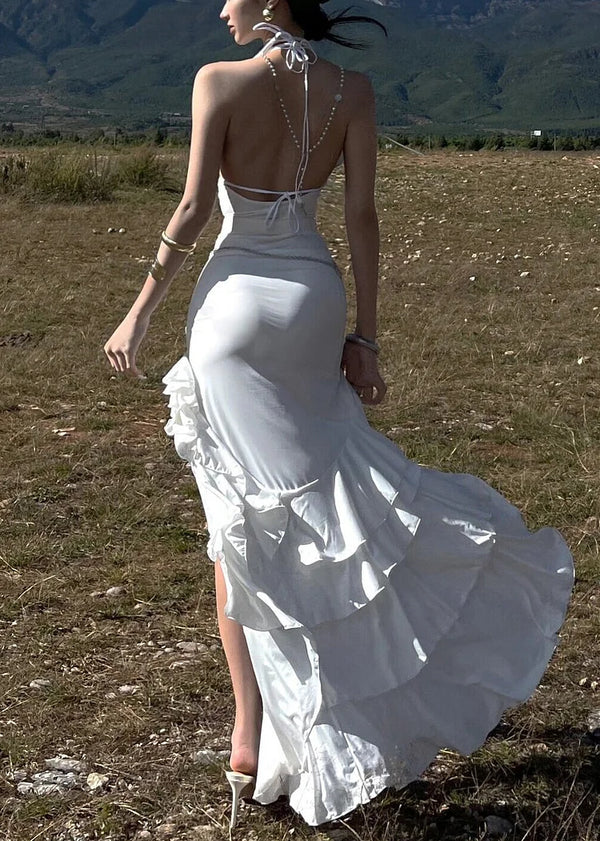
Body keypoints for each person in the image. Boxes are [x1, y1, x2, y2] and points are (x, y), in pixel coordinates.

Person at [104, 0, 575, 831]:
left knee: (237, 519)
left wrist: (137, 314)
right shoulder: (352, 90)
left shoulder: (218, 82)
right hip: (313, 300)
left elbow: (193, 210)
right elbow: (362, 217)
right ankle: (334, 690)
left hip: (232, 311)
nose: (221, 7)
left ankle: (249, 734)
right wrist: (368, 336)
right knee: (321, 496)